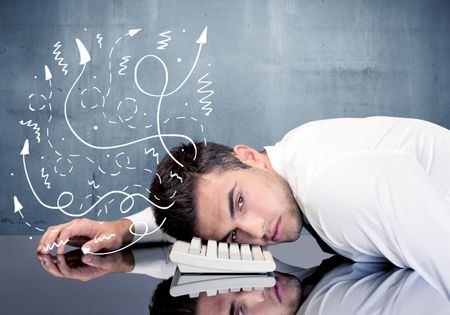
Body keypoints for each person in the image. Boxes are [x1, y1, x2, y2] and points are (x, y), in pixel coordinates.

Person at [37, 116, 450, 298]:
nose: (257, 232)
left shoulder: (333, 190)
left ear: (248, 154)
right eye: (234, 237)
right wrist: (125, 228)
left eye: (240, 202)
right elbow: (209, 207)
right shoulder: (290, 157)